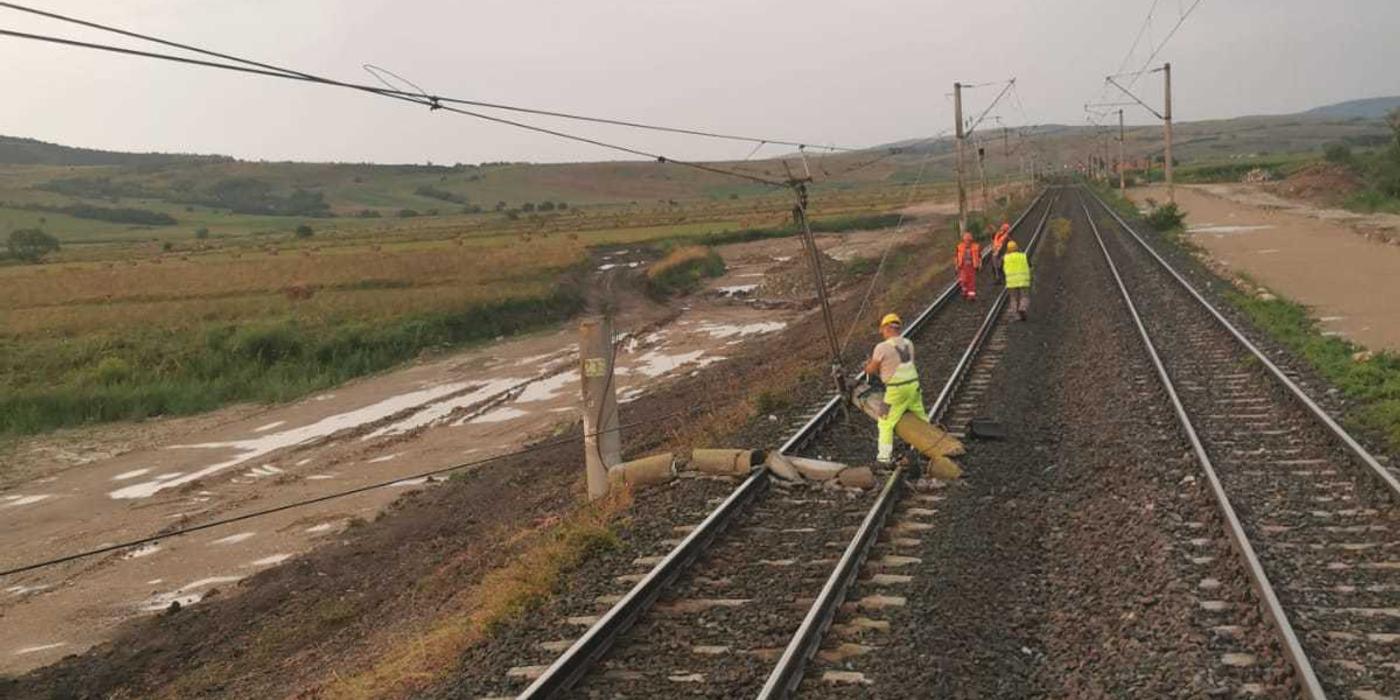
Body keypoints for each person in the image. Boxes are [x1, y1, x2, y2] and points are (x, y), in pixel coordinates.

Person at [864, 313, 930, 464]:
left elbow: (871, 370)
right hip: (914, 387)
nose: (882, 333)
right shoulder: (909, 343)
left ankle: (884, 458)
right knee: (921, 417)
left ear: (887, 328)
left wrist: (867, 366)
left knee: (884, 421)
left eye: (882, 329)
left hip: (895, 391)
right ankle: (927, 446)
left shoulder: (881, 347)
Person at [1002, 239, 1031, 321]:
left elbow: (1002, 269)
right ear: (1017, 248)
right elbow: (1029, 265)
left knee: (1013, 298)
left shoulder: (1005, 258)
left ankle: (1014, 314)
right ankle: (1022, 308)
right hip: (1023, 280)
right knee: (1024, 296)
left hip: (1011, 282)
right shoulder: (1023, 256)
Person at [954, 232, 981, 300]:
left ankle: (971, 295)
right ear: (963, 240)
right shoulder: (959, 247)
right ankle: (964, 291)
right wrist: (956, 265)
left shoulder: (976, 246)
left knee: (971, 281)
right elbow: (956, 257)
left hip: (972, 266)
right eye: (966, 240)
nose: (967, 242)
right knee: (963, 280)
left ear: (971, 240)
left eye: (969, 240)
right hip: (963, 266)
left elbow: (979, 256)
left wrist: (980, 265)